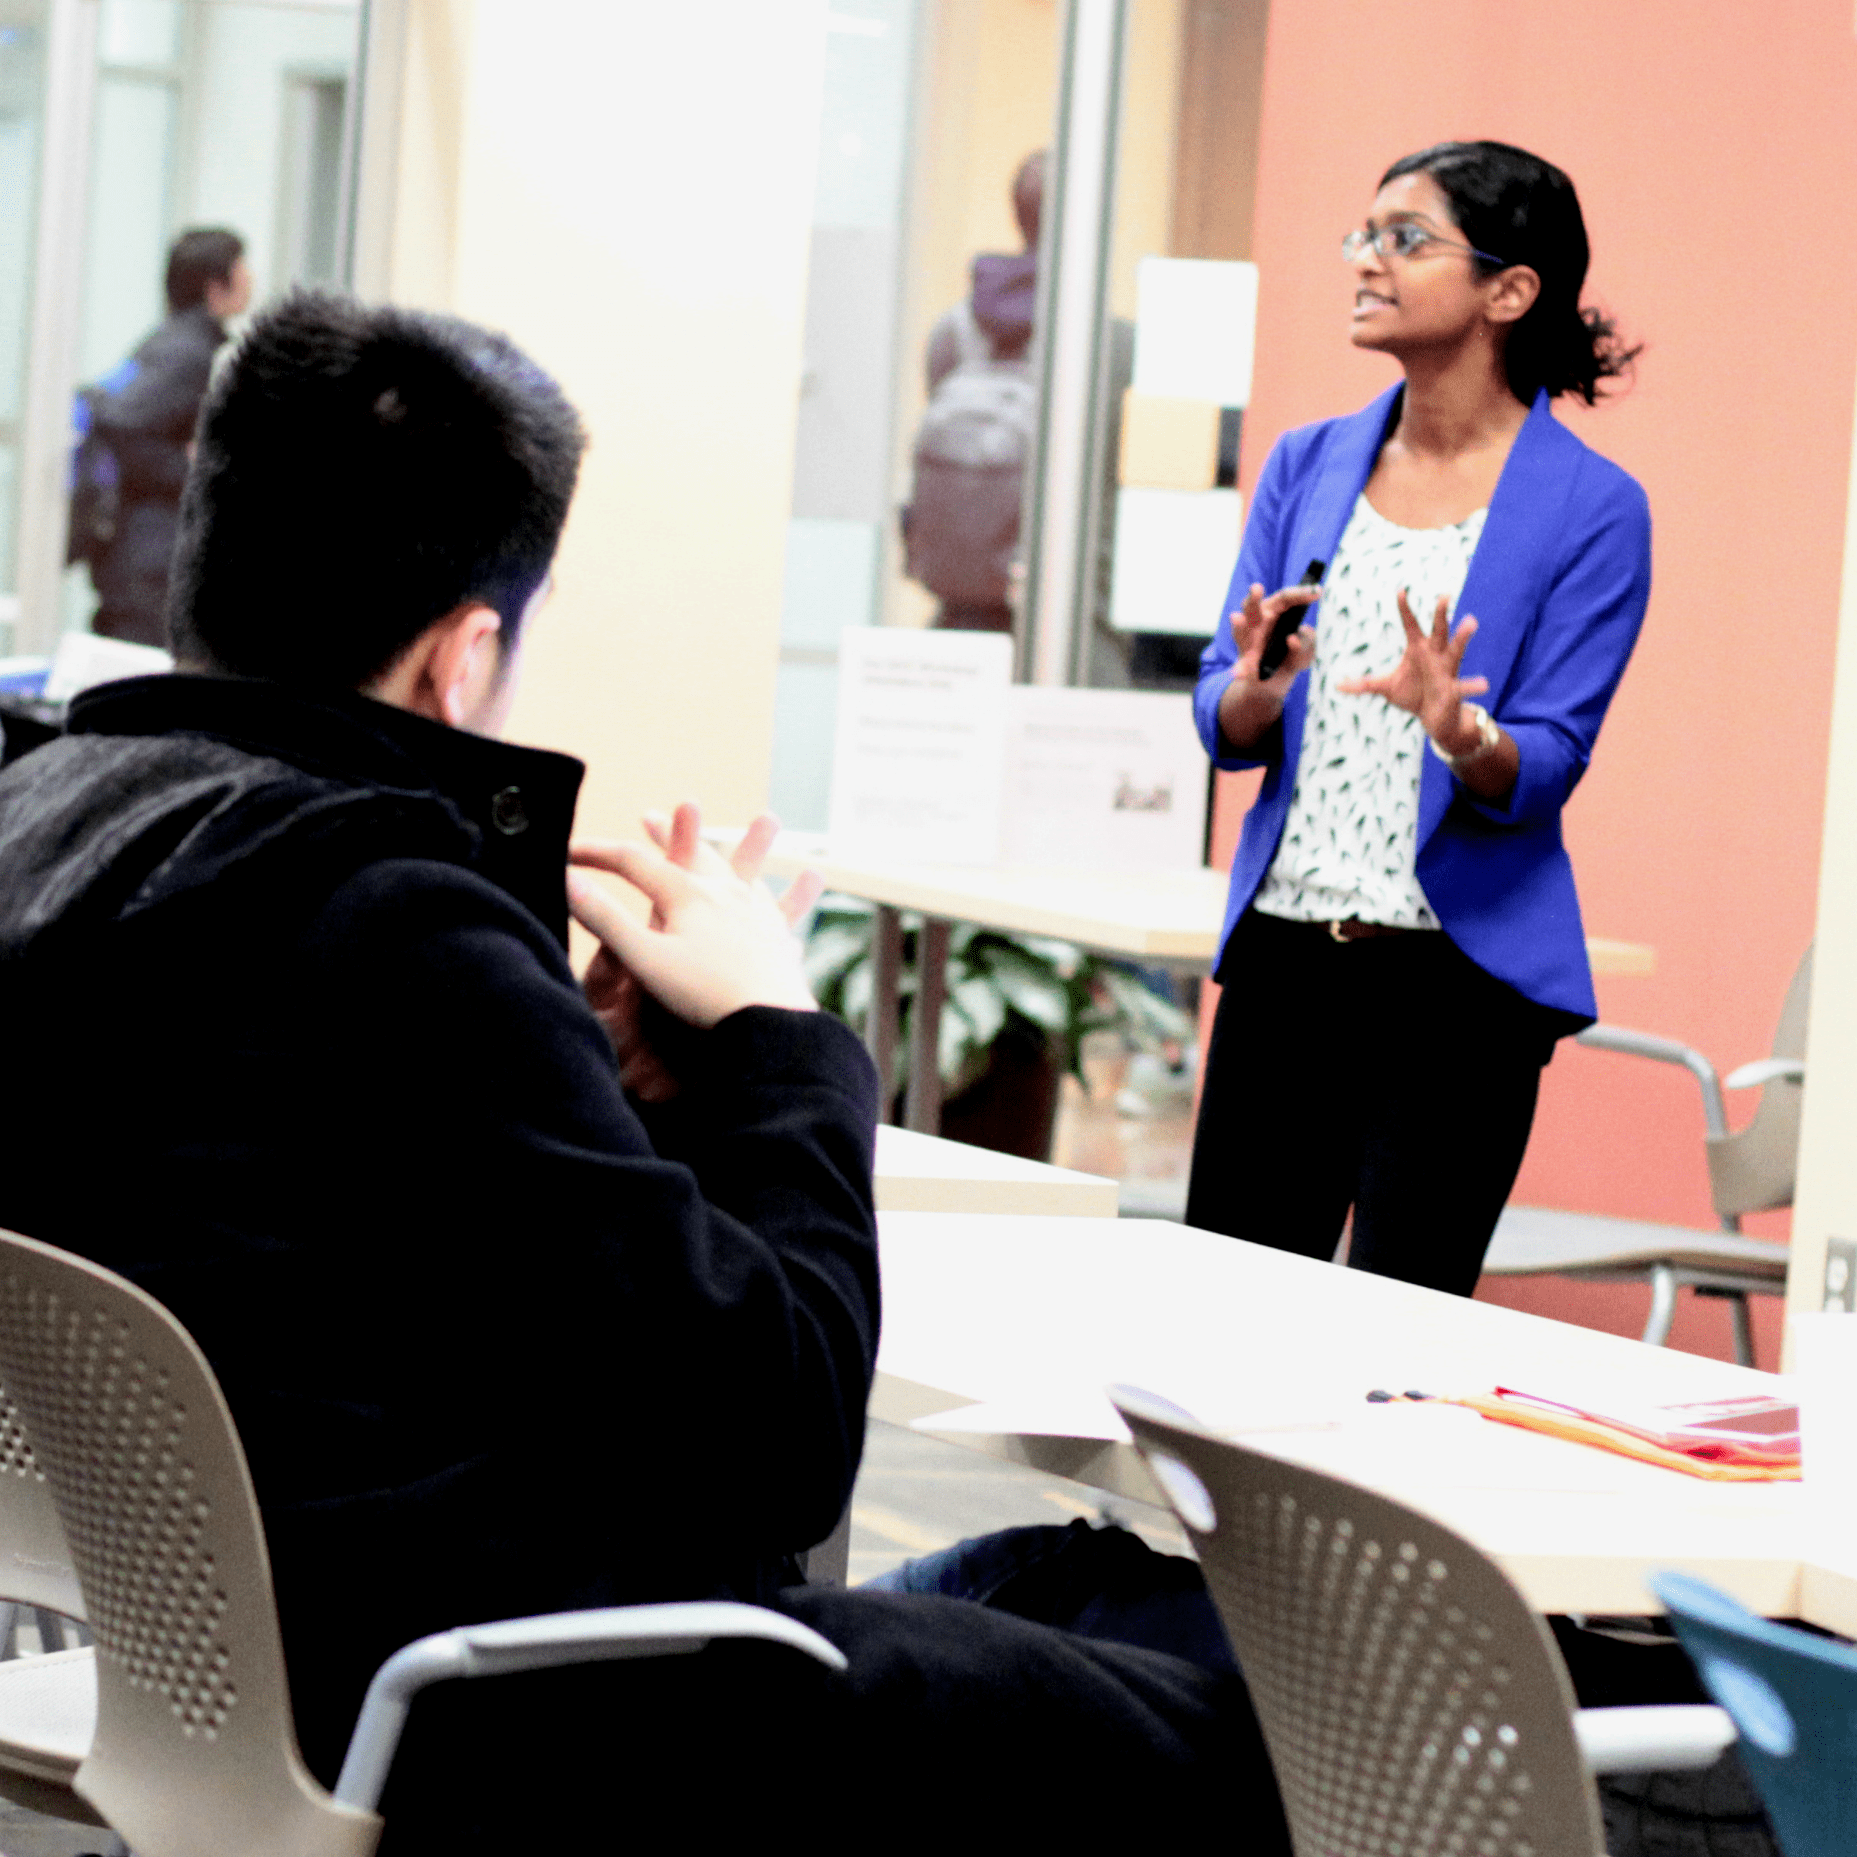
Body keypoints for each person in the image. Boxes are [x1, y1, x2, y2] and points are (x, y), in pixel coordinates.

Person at [0, 292, 1286, 1851]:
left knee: (1082, 1585)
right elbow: (781, 1440)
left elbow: (342, 1214)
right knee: (1299, 1738)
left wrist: (599, 1096)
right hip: (522, 1707)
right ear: (463, 656)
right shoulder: (386, 917)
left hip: (221, 1659)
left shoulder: (54, 824)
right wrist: (775, 1040)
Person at [1184, 141, 1651, 1297]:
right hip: (1288, 966)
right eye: (1365, 235)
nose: (1368, 261)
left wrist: (1460, 729)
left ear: (1509, 289)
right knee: (1220, 1325)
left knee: (1395, 1345)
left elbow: (1548, 761)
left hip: (1454, 993)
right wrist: (1257, 689)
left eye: (1407, 240)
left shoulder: (1594, 506)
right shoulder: (1308, 462)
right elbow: (1221, 708)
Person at [82, 226, 251, 645]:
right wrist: (198, 470)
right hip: (150, 565)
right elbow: (123, 427)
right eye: (243, 268)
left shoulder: (169, 342)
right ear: (216, 286)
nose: (252, 278)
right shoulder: (190, 353)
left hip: (135, 560)